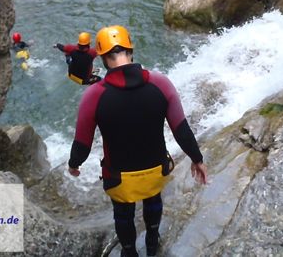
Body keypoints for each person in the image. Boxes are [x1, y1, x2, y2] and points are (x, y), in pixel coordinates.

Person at [68, 25, 207, 257]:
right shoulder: (161, 83)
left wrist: (74, 165)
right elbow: (181, 129)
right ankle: (152, 241)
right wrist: (197, 159)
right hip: (156, 170)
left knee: (123, 213)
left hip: (119, 178)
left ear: (102, 58)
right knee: (153, 200)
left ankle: (129, 251)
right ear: (131, 51)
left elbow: (82, 143)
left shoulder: (94, 95)